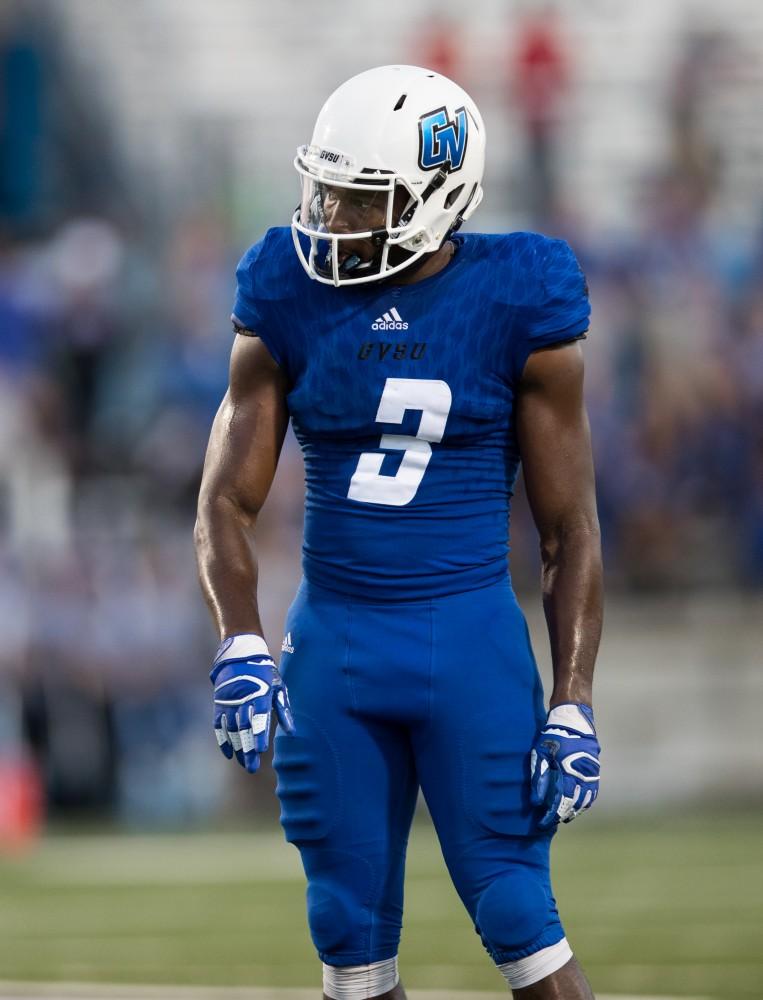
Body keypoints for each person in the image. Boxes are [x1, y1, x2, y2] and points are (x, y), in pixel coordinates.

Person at [195, 64, 603, 1000]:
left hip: (468, 638)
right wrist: (240, 640)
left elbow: (568, 529)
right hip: (333, 643)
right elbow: (223, 499)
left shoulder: (519, 296)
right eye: (324, 191)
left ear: (437, 196)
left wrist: (574, 696)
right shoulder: (282, 288)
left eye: (357, 199)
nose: (328, 217)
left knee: (514, 913)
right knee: (343, 928)